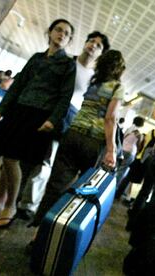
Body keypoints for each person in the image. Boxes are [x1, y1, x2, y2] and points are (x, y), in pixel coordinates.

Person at [0, 19, 76, 228]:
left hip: (39, 117)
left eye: (66, 33)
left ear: (69, 40)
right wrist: (1, 109)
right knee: (6, 159)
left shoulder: (68, 64)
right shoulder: (37, 58)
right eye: (58, 30)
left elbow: (65, 97)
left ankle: (11, 206)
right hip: (19, 110)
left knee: (11, 158)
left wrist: (52, 120)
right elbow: (18, 84)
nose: (61, 34)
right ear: (50, 32)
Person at [16, 31, 110, 220]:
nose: (93, 45)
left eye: (98, 45)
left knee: (46, 160)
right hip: (47, 111)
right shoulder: (68, 62)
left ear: (102, 53)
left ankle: (28, 204)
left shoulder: (96, 78)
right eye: (91, 41)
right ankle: (16, 195)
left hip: (69, 119)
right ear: (85, 43)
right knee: (27, 156)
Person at [30, 49, 126, 228]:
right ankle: (62, 230)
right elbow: (110, 118)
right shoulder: (116, 87)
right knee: (84, 191)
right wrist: (112, 150)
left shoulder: (94, 83)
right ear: (119, 69)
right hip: (94, 142)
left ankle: (39, 233)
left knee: (55, 187)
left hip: (72, 135)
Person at [115, 117, 155, 200]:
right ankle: (132, 200)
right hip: (150, 160)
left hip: (140, 157)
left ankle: (118, 194)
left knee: (129, 178)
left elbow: (143, 144)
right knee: (145, 185)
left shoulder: (151, 131)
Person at [115, 116, 145, 186]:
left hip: (121, 149)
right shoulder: (139, 132)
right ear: (142, 124)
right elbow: (139, 145)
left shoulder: (128, 129)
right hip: (130, 153)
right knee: (121, 171)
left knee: (114, 167)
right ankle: (114, 187)